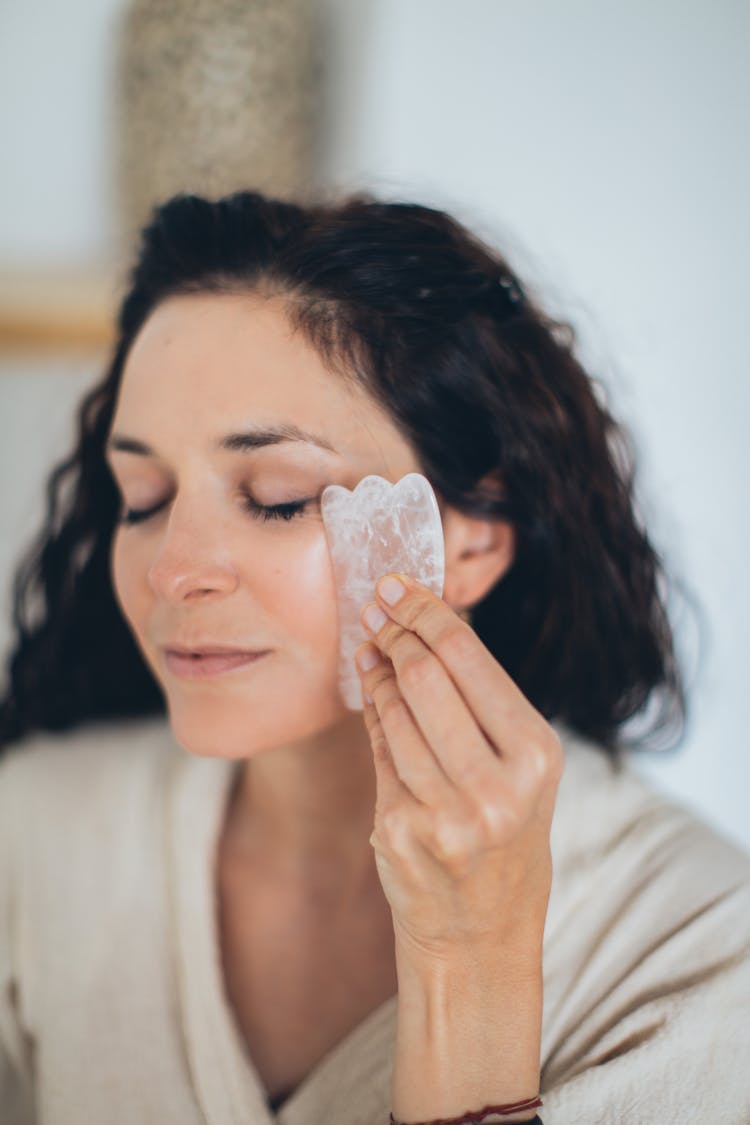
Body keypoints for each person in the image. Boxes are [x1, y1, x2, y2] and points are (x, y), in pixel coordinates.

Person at [0, 190, 748, 1125]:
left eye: (276, 496)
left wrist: (469, 966)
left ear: (472, 537)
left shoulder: (700, 947)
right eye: (143, 496)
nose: (173, 569)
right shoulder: (32, 838)